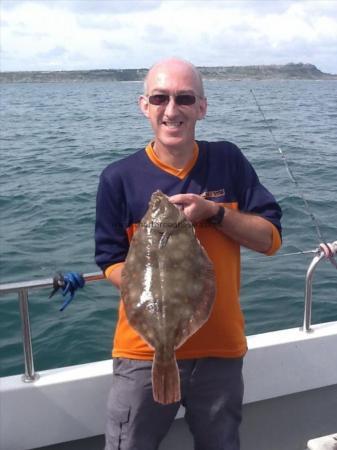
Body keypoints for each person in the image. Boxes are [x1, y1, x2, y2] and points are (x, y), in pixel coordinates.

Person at [95, 57, 282, 450]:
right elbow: (110, 261)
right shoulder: (117, 178)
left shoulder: (228, 160)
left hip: (220, 352)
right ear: (144, 105)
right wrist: (150, 276)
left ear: (202, 106)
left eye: (184, 98)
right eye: (160, 98)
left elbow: (269, 240)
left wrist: (214, 213)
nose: (171, 109)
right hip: (141, 354)